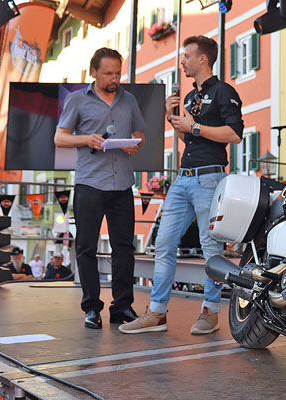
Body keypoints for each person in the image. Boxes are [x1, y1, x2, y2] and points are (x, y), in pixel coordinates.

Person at [120, 36, 243, 335]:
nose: (182, 61)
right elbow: (189, 139)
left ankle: (210, 311)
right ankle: (157, 313)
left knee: (210, 247)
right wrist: (172, 118)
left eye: (187, 55)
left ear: (203, 58)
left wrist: (194, 127)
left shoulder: (224, 91)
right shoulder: (188, 98)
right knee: (163, 244)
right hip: (183, 177)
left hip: (209, 177)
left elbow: (235, 134)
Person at [54, 47, 146, 329]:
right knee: (86, 247)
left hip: (122, 184)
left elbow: (139, 134)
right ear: (93, 72)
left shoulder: (129, 100)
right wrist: (87, 139)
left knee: (124, 248)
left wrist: (134, 144)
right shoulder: (77, 100)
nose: (114, 79)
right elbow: (60, 138)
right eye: (108, 74)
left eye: (117, 73)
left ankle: (122, 307)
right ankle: (92, 308)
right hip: (89, 183)